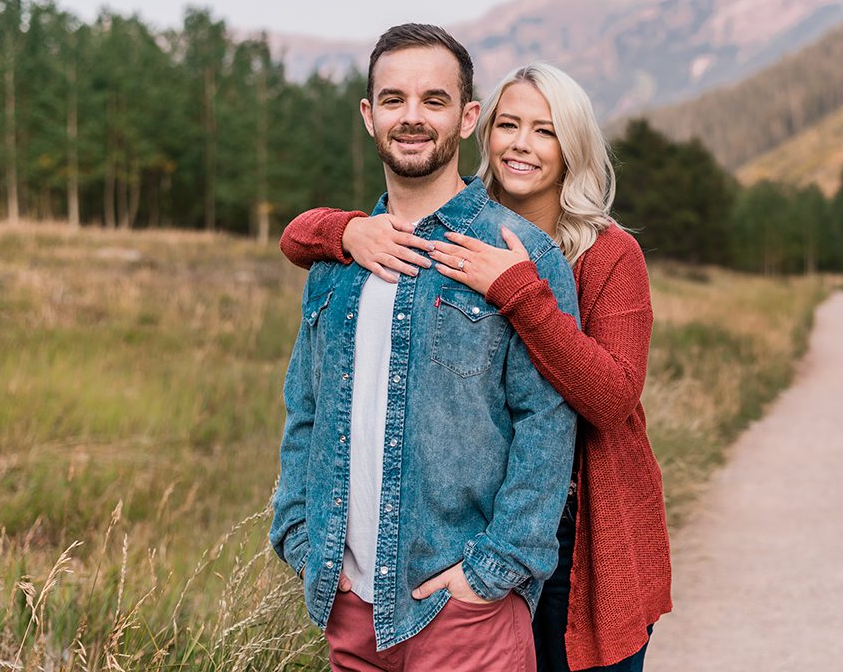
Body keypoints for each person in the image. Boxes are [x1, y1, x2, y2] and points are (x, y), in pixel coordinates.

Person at [281, 62, 673, 671]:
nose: (521, 143)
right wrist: (348, 229)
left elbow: (612, 398)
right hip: (474, 525)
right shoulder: (456, 227)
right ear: (480, 130)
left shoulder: (609, 254)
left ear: (573, 148)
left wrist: (519, 290)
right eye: (508, 125)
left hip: (583, 530)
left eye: (545, 131)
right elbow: (298, 237)